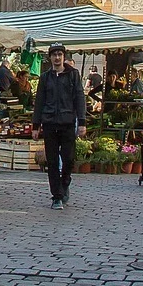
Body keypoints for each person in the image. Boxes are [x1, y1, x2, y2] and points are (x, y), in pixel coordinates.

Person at [32, 44, 86, 209]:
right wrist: (36, 125)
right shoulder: (45, 77)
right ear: (50, 58)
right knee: (53, 161)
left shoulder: (73, 75)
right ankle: (56, 196)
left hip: (67, 122)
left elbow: (79, 98)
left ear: (64, 57)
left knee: (69, 159)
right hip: (49, 123)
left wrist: (82, 122)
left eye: (59, 55)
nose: (57, 58)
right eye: (54, 55)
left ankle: (65, 183)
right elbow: (39, 102)